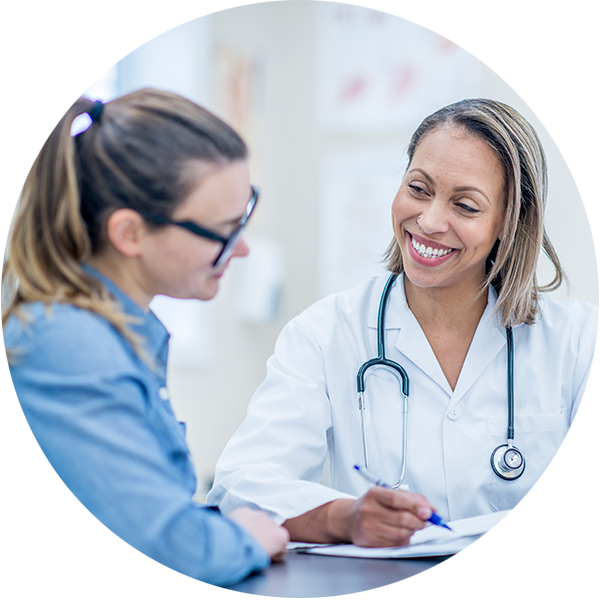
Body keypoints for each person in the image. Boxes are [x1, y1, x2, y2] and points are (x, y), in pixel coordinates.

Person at [207, 98, 598, 548]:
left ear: (508, 224)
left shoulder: (577, 343)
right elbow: (240, 484)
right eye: (418, 188)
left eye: (466, 206)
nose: (430, 221)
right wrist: (344, 517)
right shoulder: (326, 334)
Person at [2, 89, 289, 585]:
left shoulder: (111, 331)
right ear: (130, 233)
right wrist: (241, 535)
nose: (239, 249)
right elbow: (170, 550)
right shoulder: (68, 342)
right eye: (223, 230)